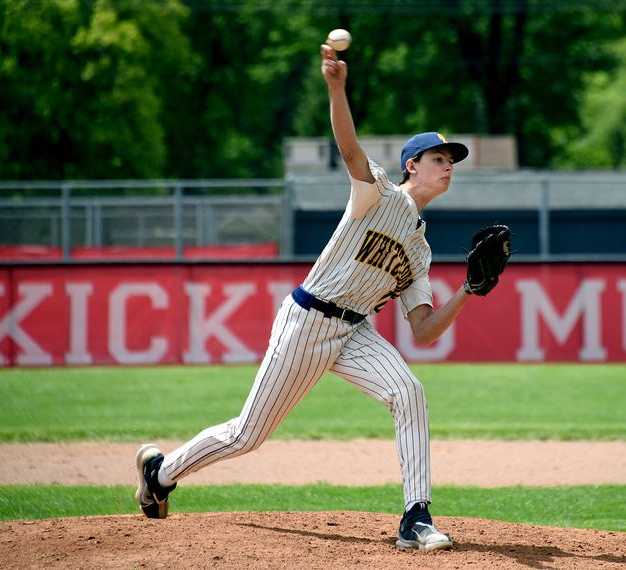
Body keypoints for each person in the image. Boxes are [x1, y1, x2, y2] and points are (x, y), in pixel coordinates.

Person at [136, 41, 482, 552]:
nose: (448, 165)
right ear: (412, 165)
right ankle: (162, 473)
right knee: (247, 435)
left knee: (408, 391)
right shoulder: (378, 194)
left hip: (354, 330)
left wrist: (469, 291)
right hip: (307, 322)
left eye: (451, 159)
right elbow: (348, 149)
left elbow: (425, 330)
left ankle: (416, 517)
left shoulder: (420, 249)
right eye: (438, 157)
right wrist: (336, 89)